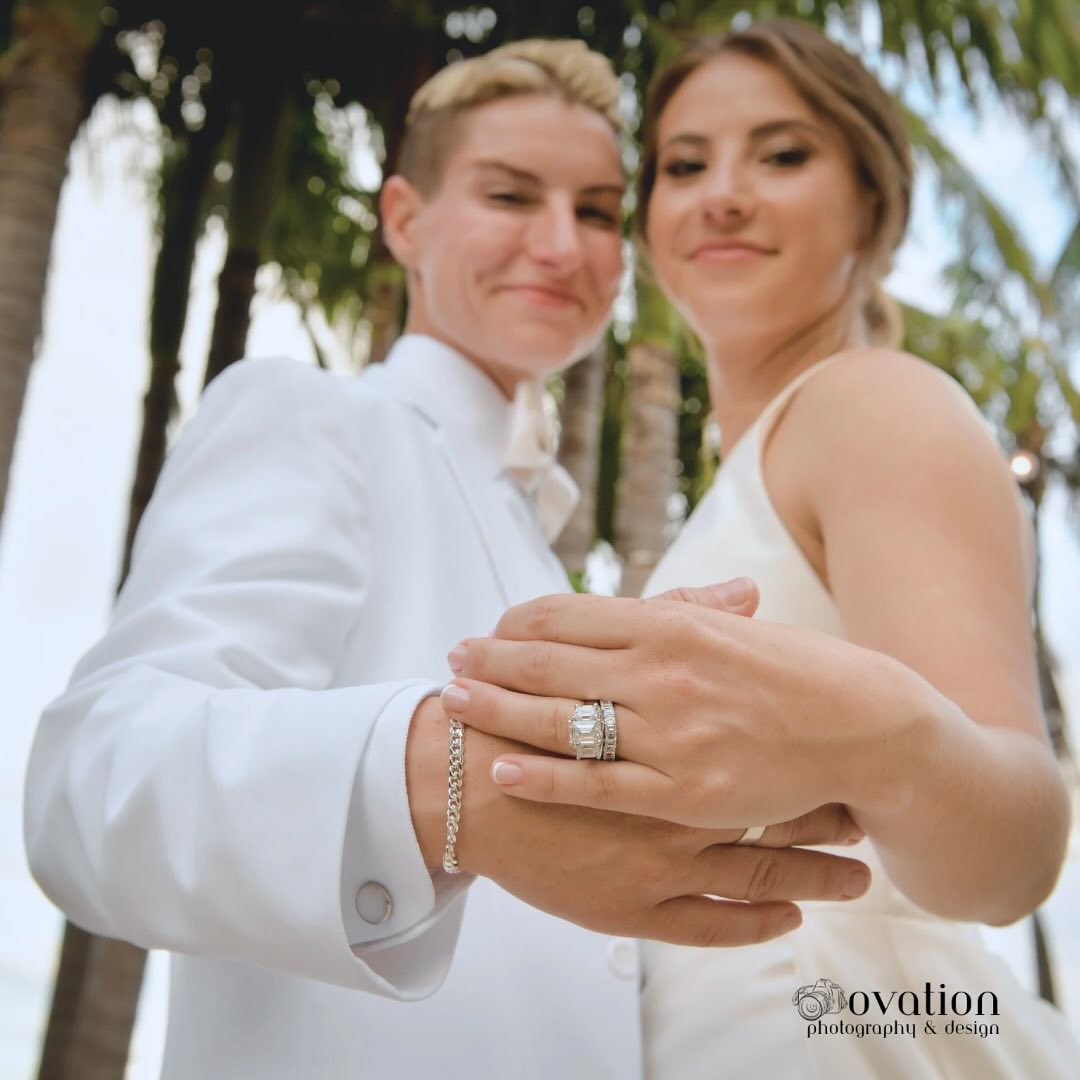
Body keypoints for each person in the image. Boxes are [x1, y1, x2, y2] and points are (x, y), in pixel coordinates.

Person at [23, 39, 871, 1080]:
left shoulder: (539, 540)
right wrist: (444, 789)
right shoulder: (315, 416)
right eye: (512, 196)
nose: (563, 244)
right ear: (405, 220)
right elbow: (95, 783)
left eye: (599, 210)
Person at [437, 20, 1080, 1078]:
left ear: (873, 207)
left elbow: (1017, 847)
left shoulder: (874, 405)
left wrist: (874, 736)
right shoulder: (756, 470)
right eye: (685, 165)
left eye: (782, 154)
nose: (722, 194)